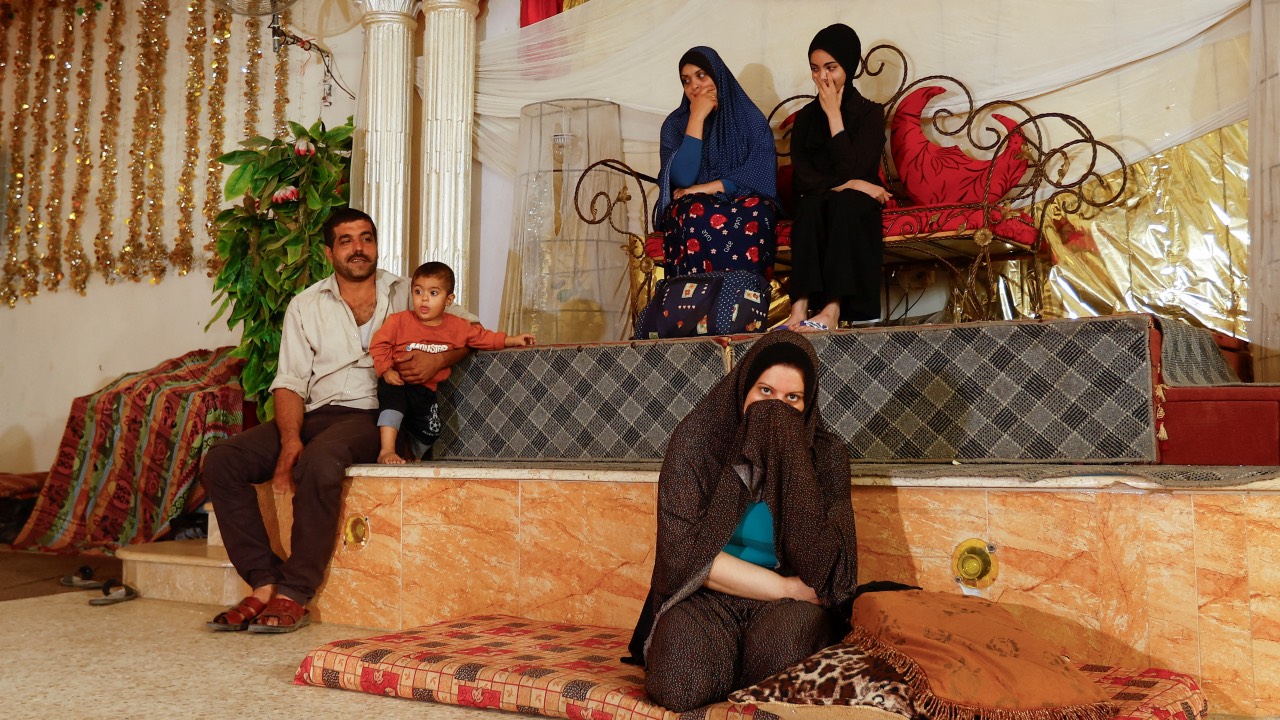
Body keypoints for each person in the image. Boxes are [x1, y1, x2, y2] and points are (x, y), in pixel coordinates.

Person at [201, 208, 469, 633]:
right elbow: (289, 381)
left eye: (366, 238)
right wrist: (290, 439)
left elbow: (468, 330)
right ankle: (264, 582)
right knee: (223, 460)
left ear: (377, 246)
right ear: (329, 251)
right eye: (346, 241)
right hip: (316, 412)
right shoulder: (306, 305)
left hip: (379, 416)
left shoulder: (408, 293)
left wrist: (440, 355)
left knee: (321, 459)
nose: (358, 248)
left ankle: (295, 593)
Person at [627, 330, 858, 712]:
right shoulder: (698, 443)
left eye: (792, 399)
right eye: (765, 393)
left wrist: (789, 457)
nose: (776, 409)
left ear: (809, 404)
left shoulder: (827, 456)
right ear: (743, 389)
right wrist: (787, 588)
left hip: (789, 609)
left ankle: (740, 664)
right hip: (706, 597)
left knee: (785, 655)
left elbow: (831, 573)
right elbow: (682, 557)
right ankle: (728, 662)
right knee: (679, 682)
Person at [369, 261, 535, 464]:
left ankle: (413, 455)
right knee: (392, 408)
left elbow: (484, 338)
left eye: (433, 293)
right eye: (418, 291)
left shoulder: (458, 327)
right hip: (398, 381)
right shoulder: (399, 321)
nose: (424, 299)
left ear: (448, 300)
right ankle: (387, 451)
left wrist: (513, 340)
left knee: (432, 430)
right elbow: (379, 345)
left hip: (426, 389)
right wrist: (386, 370)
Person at [783, 23, 891, 332]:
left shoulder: (870, 113)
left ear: (849, 66)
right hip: (827, 196)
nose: (823, 77)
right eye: (815, 69)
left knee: (844, 204)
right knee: (808, 206)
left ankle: (831, 309)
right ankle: (799, 308)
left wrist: (833, 115)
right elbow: (803, 178)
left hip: (856, 202)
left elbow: (857, 170)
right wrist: (852, 182)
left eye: (831, 67)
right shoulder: (804, 117)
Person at [655, 46, 780, 278]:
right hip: (693, 205)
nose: (694, 86)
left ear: (718, 75)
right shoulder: (674, 125)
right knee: (693, 212)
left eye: (701, 75)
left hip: (742, 199)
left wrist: (703, 188)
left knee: (758, 211)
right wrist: (697, 117)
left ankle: (741, 302)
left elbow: (760, 173)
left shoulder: (749, 118)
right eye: (686, 80)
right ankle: (695, 303)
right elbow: (682, 178)